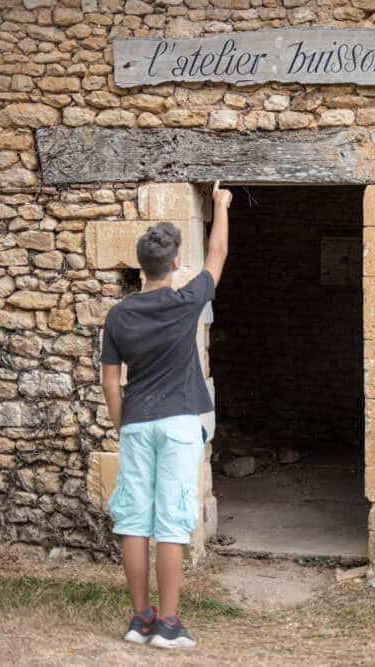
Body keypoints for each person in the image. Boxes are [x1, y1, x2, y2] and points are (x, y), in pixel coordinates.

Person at [101, 181, 233, 649]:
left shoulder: (118, 317)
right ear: (175, 263)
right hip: (178, 424)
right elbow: (216, 254)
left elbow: (111, 383)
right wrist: (220, 204)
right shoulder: (186, 301)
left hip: (136, 421)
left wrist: (124, 426)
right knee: (171, 523)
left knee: (134, 522)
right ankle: (170, 625)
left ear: (141, 265)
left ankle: (140, 620)